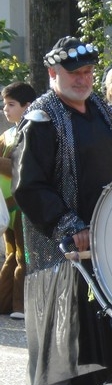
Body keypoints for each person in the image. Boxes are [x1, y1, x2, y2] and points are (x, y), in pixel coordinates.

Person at [13, 37, 112, 385]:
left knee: (99, 309)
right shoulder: (41, 118)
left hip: (103, 229)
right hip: (58, 236)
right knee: (60, 307)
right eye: (74, 73)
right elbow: (29, 185)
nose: (83, 79)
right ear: (53, 73)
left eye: (87, 72)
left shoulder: (98, 107)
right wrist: (68, 223)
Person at [0, 81, 37, 319]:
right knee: (11, 254)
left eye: (11, 105)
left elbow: (19, 167)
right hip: (6, 206)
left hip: (22, 205)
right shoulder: (7, 134)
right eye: (5, 105)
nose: (6, 109)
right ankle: (4, 304)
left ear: (27, 106)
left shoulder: (31, 132)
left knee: (24, 256)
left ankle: (20, 306)